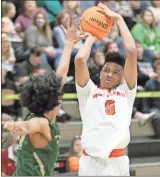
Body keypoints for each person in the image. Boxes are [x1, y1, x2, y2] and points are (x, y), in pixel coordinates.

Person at [3, 17, 83, 176]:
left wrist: (69, 44)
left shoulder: (46, 115)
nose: (61, 95)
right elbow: (30, 126)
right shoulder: (40, 122)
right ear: (53, 100)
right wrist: (18, 127)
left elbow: (60, 74)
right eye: (58, 93)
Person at [74, 2, 137, 175]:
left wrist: (118, 19)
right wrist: (91, 38)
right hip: (88, 162)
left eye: (116, 72)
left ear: (122, 76)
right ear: (100, 72)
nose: (109, 74)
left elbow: (131, 51)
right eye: (106, 70)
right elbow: (80, 60)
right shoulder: (89, 92)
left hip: (116, 162)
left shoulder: (126, 91)